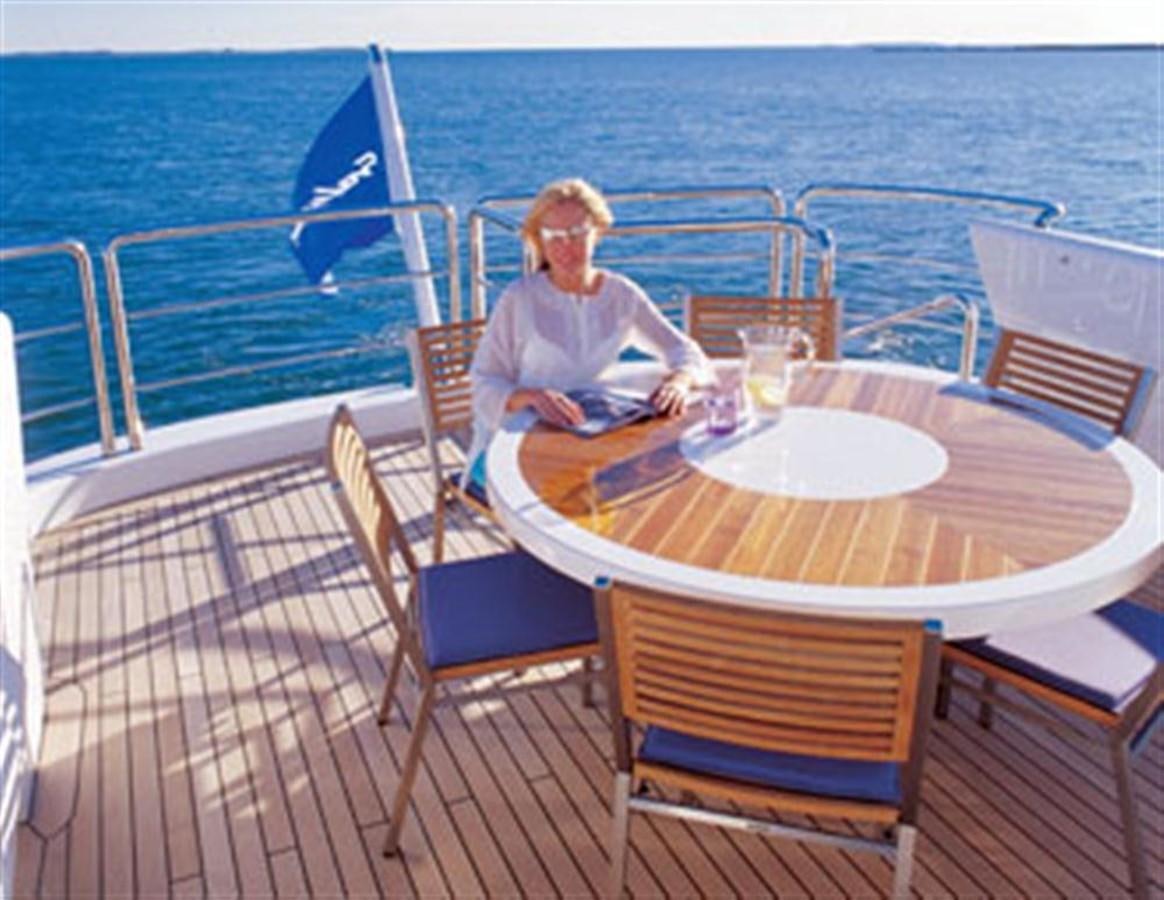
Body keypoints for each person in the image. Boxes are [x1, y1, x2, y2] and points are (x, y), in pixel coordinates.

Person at [467, 178, 709, 472]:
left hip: (596, 440)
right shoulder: (519, 299)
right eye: (553, 234)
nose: (565, 246)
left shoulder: (621, 294)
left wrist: (679, 381)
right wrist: (532, 396)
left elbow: (683, 349)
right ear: (538, 241)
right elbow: (483, 384)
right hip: (520, 446)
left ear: (598, 232)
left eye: (577, 232)